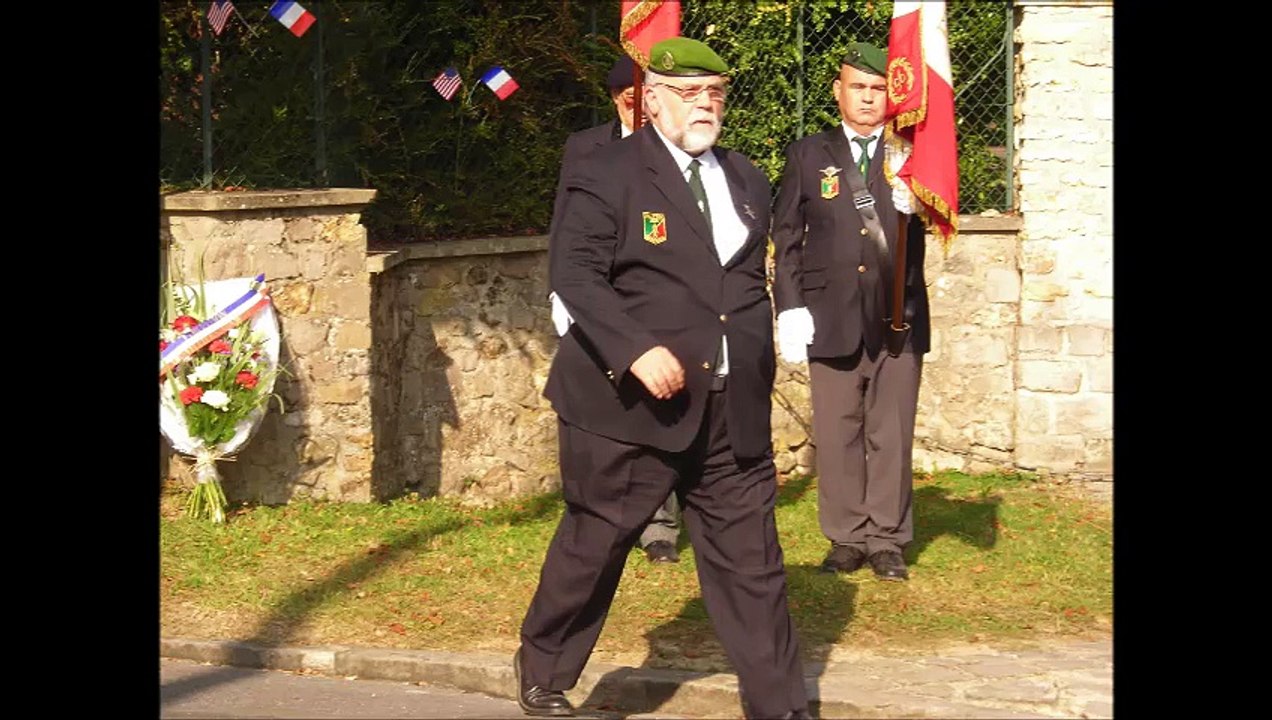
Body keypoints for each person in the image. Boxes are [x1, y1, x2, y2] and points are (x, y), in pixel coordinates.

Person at [516, 37, 810, 719]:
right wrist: (634, 348)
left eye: (715, 93)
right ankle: (544, 669)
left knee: (753, 567)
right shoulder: (608, 170)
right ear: (651, 99)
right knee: (596, 543)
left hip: (730, 408)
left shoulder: (745, 177)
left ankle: (781, 705)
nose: (705, 106)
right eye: (688, 93)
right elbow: (575, 272)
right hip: (628, 408)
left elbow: (735, 285)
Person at [770, 42, 931, 583]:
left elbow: (943, 223)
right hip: (829, 312)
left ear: (892, 94)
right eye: (856, 87)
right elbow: (787, 237)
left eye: (877, 87)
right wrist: (789, 308)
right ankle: (845, 537)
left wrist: (923, 209)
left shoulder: (913, 155)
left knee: (891, 429)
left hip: (898, 313)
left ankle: (886, 537)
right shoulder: (807, 154)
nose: (867, 97)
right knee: (837, 429)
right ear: (837, 92)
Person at [547, 54, 684, 566]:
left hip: (657, 299)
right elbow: (566, 216)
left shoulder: (674, 147)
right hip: (597, 301)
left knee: (660, 408)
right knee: (601, 411)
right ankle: (603, 517)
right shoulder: (585, 147)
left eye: (641, 96)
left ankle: (661, 528)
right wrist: (560, 291)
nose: (636, 106)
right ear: (616, 101)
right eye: (627, 99)